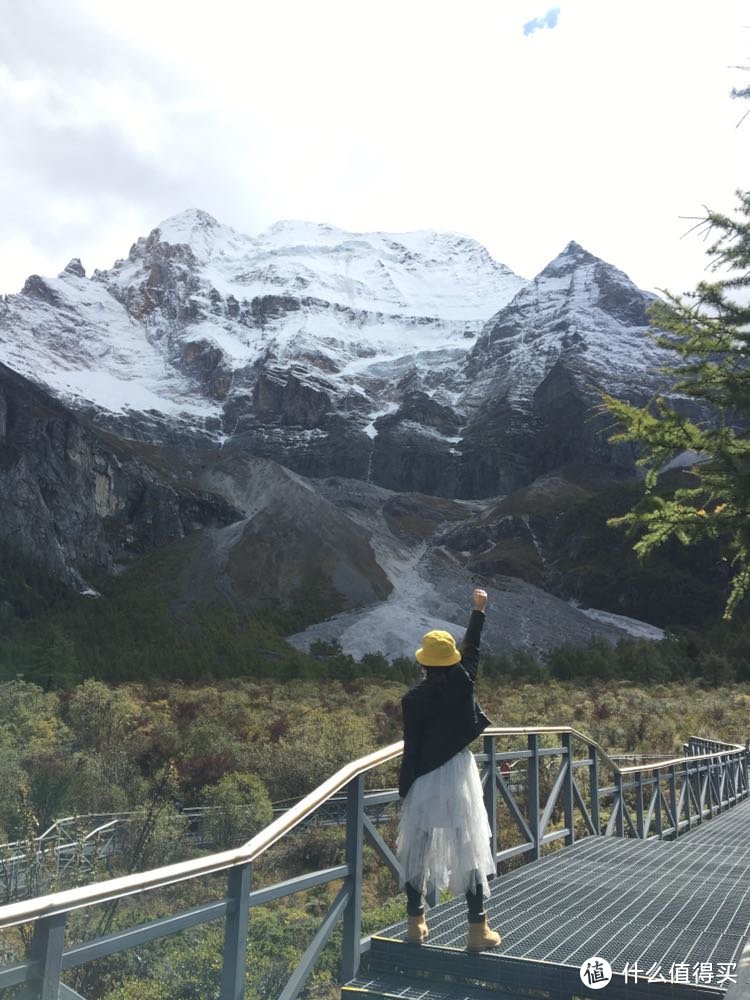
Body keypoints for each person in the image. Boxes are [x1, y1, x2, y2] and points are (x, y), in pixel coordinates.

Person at [397, 587, 501, 951]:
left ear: (423, 664)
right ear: (451, 661)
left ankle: (415, 924)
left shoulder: (412, 700)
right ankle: (477, 930)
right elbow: (472, 650)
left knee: (417, 851)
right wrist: (478, 610)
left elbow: (410, 751)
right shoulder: (464, 681)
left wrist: (404, 790)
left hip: (425, 779)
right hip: (458, 775)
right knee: (468, 847)